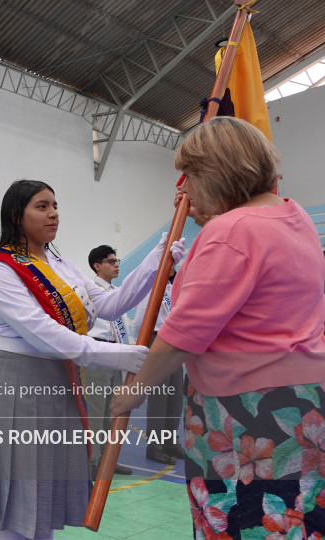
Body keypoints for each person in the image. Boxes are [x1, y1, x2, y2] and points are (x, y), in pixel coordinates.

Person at [110, 117, 325, 538]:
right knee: (300, 518)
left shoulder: (231, 230)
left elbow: (186, 331)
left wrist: (130, 394)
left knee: (249, 521)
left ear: (216, 171)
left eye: (188, 176)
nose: (183, 190)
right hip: (307, 402)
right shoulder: (294, 217)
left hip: (248, 410)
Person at [0, 179, 184, 539]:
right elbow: (43, 333)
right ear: (16, 215)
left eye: (55, 205)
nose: (53, 214)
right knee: (15, 501)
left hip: (58, 380)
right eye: (42, 206)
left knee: (42, 497)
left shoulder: (60, 263)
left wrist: (159, 255)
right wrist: (117, 355)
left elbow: (111, 302)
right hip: (18, 383)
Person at [85, 245, 133, 476]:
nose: (116, 265)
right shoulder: (89, 290)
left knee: (112, 412)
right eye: (111, 261)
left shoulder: (116, 291)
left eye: (117, 260)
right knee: (95, 412)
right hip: (97, 351)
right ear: (97, 265)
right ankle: (93, 463)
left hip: (117, 354)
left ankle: (107, 461)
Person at [131, 266, 184, 466]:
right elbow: (139, 322)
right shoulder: (152, 287)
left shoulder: (172, 288)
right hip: (157, 339)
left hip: (175, 341)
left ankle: (170, 442)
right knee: (159, 397)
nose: (172, 266)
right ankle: (155, 446)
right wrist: (147, 346)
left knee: (175, 397)